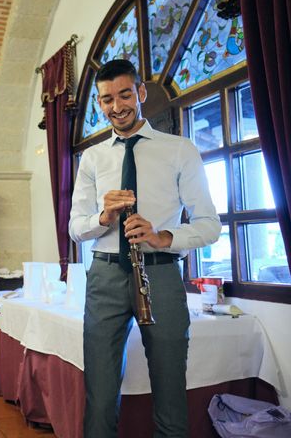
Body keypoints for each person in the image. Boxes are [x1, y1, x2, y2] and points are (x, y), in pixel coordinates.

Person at [69, 59, 221, 438]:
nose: (116, 106)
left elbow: (209, 225)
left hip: (162, 272)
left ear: (140, 93)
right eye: (106, 99)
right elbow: (75, 227)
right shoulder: (92, 157)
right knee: (100, 396)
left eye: (124, 94)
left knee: (170, 390)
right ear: (100, 104)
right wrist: (103, 218)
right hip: (104, 275)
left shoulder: (180, 150)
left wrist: (163, 237)